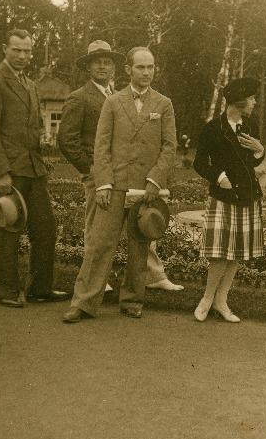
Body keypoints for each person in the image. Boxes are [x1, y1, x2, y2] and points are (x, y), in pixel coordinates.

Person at [59, 40, 183, 296]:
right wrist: (91, 169)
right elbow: (66, 140)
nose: (103, 67)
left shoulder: (116, 94)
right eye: (98, 62)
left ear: (117, 68)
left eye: (108, 62)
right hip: (102, 175)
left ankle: (152, 276)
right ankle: (97, 281)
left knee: (140, 227)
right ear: (88, 67)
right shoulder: (80, 97)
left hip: (131, 174)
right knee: (98, 232)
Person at [0, 29, 71, 308]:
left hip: (34, 169)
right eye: (16, 50)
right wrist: (1, 173)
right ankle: (6, 290)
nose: (22, 56)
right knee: (8, 229)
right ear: (5, 49)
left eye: (27, 51)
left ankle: (39, 288)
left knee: (46, 227)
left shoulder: (30, 84)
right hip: (11, 171)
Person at [192, 77, 265, 323]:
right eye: (252, 98)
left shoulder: (251, 125)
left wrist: (259, 151)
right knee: (220, 252)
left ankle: (221, 301)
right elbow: (199, 163)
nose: (255, 102)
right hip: (224, 195)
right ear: (240, 102)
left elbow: (252, 163)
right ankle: (207, 298)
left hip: (247, 195)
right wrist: (219, 176)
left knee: (237, 252)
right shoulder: (213, 128)